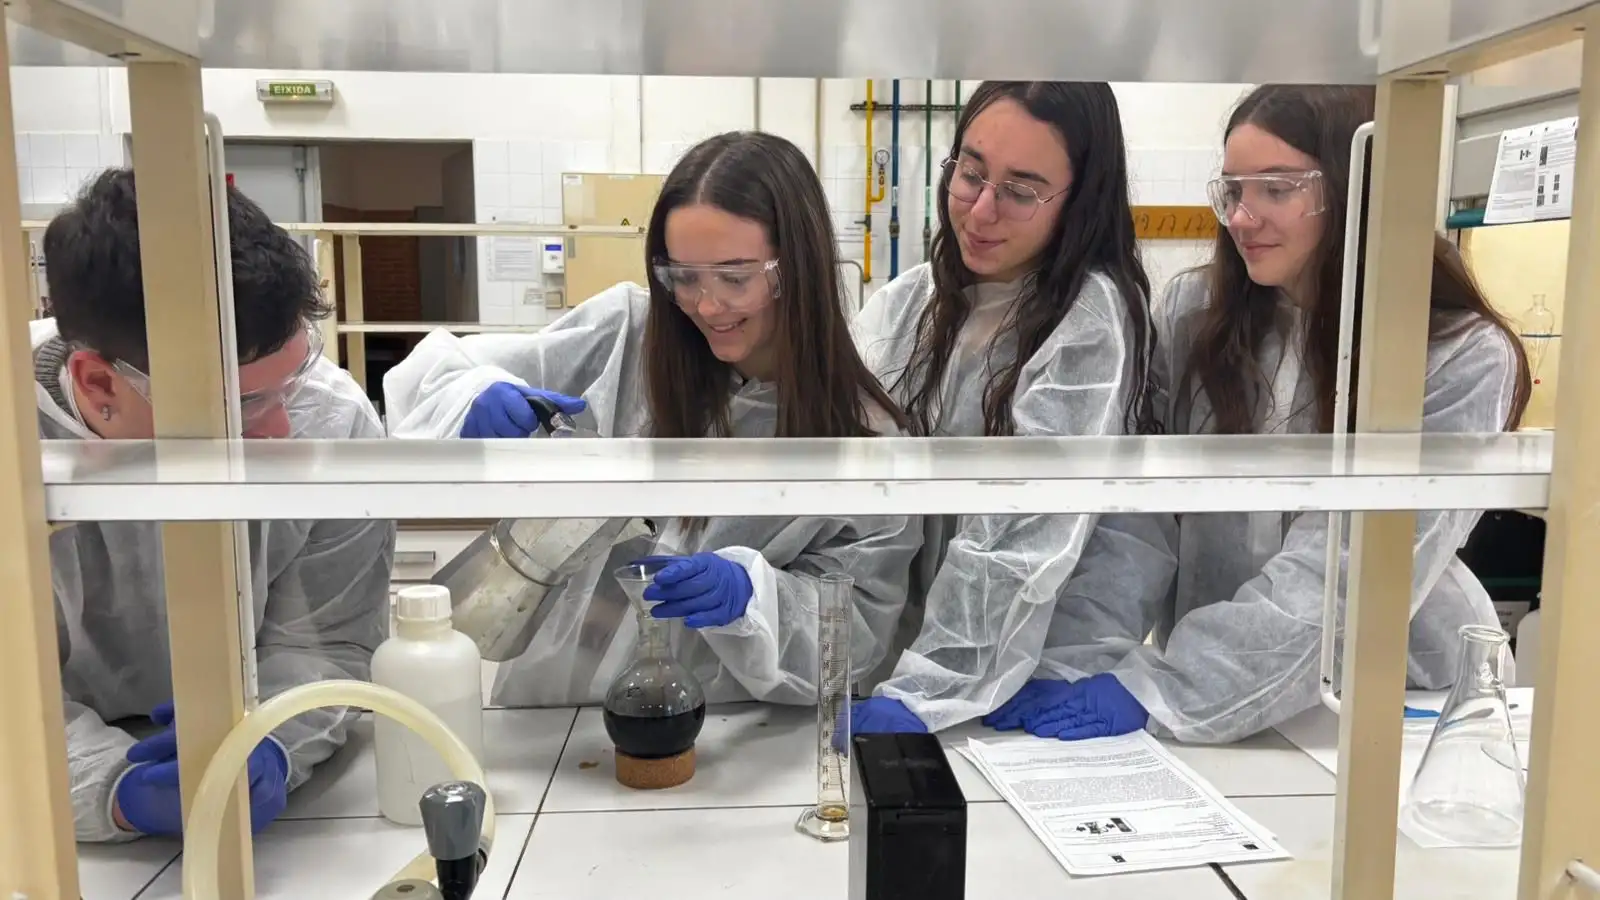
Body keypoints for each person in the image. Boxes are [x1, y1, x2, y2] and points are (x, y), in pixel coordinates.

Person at [986, 84, 1532, 744]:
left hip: (1397, 696)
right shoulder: (1195, 315)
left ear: (1355, 190)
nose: (1242, 218)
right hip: (1208, 691)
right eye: (1234, 191)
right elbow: (1136, 516)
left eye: (1276, 189)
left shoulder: (1455, 354)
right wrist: (1078, 661)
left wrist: (1171, 687)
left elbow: (1347, 572)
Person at [384, 131, 919, 707]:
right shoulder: (626, 336)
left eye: (735, 278)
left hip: (732, 725)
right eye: (684, 277)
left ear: (798, 269)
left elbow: (857, 630)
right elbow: (435, 371)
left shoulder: (863, 434)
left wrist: (756, 598)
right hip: (558, 704)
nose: (706, 305)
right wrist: (473, 396)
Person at [42, 169, 397, 841]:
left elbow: (327, 641)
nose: (282, 428)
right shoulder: (18, 442)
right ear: (100, 385)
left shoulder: (332, 419)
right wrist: (109, 789)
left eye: (294, 379)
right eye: (245, 403)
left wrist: (276, 741)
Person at [847, 81, 1174, 734]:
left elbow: (1020, 536)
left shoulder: (1088, 322)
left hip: (1030, 675)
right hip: (905, 663)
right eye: (970, 173)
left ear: (1079, 202)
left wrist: (928, 688)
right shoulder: (911, 303)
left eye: (1021, 192)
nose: (980, 211)